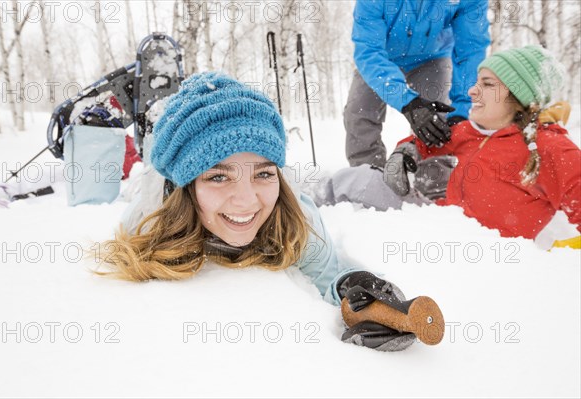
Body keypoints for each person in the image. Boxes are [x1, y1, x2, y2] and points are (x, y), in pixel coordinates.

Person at [94, 72, 445, 351]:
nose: (246, 200)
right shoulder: (149, 218)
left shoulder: (293, 215)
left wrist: (356, 285)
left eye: (263, 173)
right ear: (187, 187)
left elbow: (329, 271)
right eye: (218, 176)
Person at [383, 45, 581, 243]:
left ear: (519, 95)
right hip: (442, 237)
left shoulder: (552, 148)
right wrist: (406, 149)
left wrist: (553, 258)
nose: (471, 91)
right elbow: (425, 142)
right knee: (361, 182)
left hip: (490, 264)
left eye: (487, 84)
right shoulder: (472, 131)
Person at [344, 0, 490, 168]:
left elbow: (471, 49)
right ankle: (368, 176)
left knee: (438, 121)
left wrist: (461, 110)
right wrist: (408, 103)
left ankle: (432, 182)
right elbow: (369, 51)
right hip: (380, 59)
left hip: (431, 58)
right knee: (359, 114)